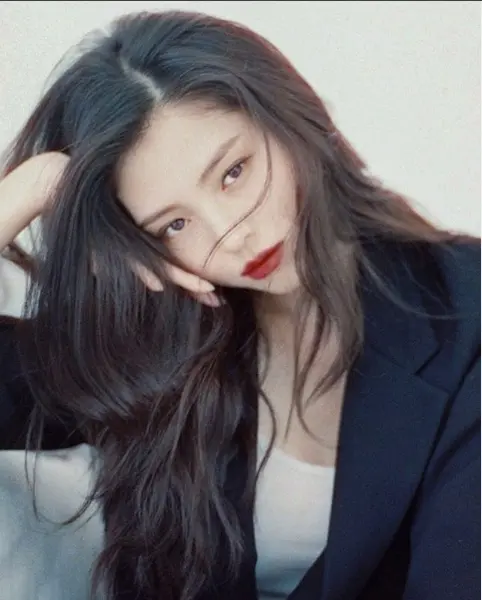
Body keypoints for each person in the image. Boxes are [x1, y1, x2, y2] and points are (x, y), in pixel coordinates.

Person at [0, 8, 479, 600]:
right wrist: (31, 189)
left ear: (286, 116)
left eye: (233, 172)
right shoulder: (155, 336)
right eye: (174, 224)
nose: (231, 234)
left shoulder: (465, 311)